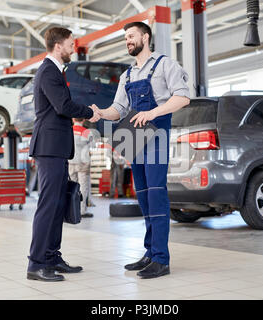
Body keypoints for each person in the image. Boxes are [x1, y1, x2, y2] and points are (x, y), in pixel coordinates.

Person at [94, 22, 190, 279]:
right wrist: (101, 113)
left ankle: (161, 259)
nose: (128, 41)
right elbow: (119, 109)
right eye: (125, 38)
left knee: (157, 195)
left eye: (131, 36)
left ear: (145, 37)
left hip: (157, 135)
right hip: (135, 140)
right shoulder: (127, 75)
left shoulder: (165, 65)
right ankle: (150, 253)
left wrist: (152, 112)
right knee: (144, 197)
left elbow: (182, 97)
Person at [27, 27, 101, 282]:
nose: (73, 48)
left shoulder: (55, 71)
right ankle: (36, 264)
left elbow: (59, 108)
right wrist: (90, 112)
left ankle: (51, 257)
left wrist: (81, 112)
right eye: (70, 44)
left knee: (58, 204)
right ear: (58, 46)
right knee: (48, 205)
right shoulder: (48, 71)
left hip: (56, 147)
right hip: (48, 148)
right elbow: (63, 106)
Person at [70, 118, 94, 218]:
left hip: (70, 162)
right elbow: (92, 147)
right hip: (83, 163)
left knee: (71, 187)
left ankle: (71, 210)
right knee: (83, 187)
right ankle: (82, 211)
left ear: (73, 119)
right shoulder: (87, 132)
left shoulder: (68, 130)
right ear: (83, 120)